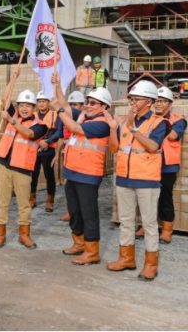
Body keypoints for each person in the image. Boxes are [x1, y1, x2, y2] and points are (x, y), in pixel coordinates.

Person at [107, 80, 168, 281]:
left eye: (137, 99)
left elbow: (152, 146)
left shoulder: (159, 123)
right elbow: (114, 148)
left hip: (146, 181)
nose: (132, 103)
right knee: (126, 221)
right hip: (124, 179)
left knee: (149, 224)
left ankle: (151, 264)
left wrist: (133, 129)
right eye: (131, 99)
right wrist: (112, 129)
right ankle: (126, 258)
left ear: (149, 102)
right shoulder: (125, 121)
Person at [51, 73, 114, 266]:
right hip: (73, 173)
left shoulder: (103, 124)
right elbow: (66, 106)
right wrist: (58, 86)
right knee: (75, 211)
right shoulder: (84, 117)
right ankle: (78, 243)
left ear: (104, 107)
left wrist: (58, 110)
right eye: (87, 101)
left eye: (93, 103)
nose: (88, 105)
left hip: (88, 175)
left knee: (89, 213)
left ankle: (92, 251)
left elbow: (74, 127)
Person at [0, 88, 47, 249]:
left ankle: (24, 235)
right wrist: (13, 78)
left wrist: (11, 120)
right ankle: (0, 235)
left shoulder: (40, 126)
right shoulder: (14, 115)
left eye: (28, 106)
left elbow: (29, 134)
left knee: (24, 205)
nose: (24, 108)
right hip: (4, 165)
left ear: (34, 108)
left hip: (22, 169)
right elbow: (5, 97)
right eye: (21, 105)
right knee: (2, 202)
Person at [153, 86, 185, 244]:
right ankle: (147, 227)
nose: (158, 104)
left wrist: (160, 122)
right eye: (157, 101)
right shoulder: (149, 119)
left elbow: (173, 136)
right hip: (149, 164)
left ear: (170, 104)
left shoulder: (178, 120)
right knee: (148, 198)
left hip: (167, 166)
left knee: (165, 197)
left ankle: (166, 230)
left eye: (163, 101)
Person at [30, 91, 63, 212]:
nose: (41, 104)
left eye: (44, 101)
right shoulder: (33, 115)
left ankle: (50, 201)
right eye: (39, 101)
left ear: (48, 103)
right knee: (33, 175)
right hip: (34, 149)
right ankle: (32, 198)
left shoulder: (55, 115)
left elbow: (59, 132)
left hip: (49, 150)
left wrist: (48, 141)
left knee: (49, 175)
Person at [58, 90, 86, 221]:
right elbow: (61, 136)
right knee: (69, 184)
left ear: (82, 106)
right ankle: (70, 210)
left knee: (81, 186)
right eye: (71, 104)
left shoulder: (83, 118)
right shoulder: (65, 119)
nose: (73, 107)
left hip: (81, 156)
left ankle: (80, 211)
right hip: (68, 154)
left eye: (76, 104)